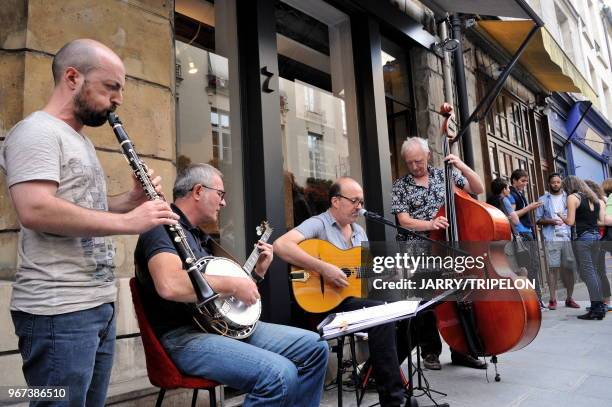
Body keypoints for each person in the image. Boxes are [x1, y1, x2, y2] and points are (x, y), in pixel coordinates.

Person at [0, 39, 180, 406]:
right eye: (111, 87)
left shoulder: (80, 141)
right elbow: (35, 209)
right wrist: (131, 221)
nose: (119, 100)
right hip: (58, 310)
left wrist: (127, 202)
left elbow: (82, 208)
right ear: (72, 77)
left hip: (96, 303)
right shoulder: (36, 133)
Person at [135, 164, 328, 407]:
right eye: (220, 194)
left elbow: (216, 299)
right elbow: (169, 285)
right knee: (279, 375)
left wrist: (255, 275)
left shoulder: (199, 237)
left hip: (219, 328)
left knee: (316, 347)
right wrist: (233, 285)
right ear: (197, 191)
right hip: (185, 337)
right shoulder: (161, 228)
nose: (223, 203)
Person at [274, 177, 410, 407]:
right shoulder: (318, 224)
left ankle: (375, 374)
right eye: (354, 201)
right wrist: (323, 267)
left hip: (353, 299)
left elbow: (363, 277)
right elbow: (281, 245)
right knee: (381, 315)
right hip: (326, 304)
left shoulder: (358, 232)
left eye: (362, 201)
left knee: (404, 310)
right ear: (335, 201)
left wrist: (389, 275)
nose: (360, 206)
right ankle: (393, 401)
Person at [390, 137, 486, 371]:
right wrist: (431, 224)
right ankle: (430, 352)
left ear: (428, 157)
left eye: (419, 161)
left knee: (461, 299)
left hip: (450, 247)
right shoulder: (400, 186)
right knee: (427, 305)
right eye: (410, 162)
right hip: (419, 250)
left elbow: (478, 188)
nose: (415, 166)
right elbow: (403, 221)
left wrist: (461, 166)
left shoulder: (445, 176)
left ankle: (463, 351)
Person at [557, 176, 606, 320]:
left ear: (569, 186)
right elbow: (599, 221)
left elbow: (571, 222)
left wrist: (561, 215)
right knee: (594, 272)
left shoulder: (573, 197)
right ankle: (599, 306)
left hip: (583, 238)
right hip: (596, 237)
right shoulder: (594, 199)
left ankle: (596, 309)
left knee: (589, 273)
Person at [536, 173, 579, 310]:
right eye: (553, 182)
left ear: (561, 183)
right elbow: (538, 220)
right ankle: (553, 299)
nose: (556, 184)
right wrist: (551, 221)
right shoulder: (543, 199)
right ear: (549, 183)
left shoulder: (569, 198)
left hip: (567, 237)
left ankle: (569, 298)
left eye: (558, 182)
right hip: (552, 237)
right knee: (553, 269)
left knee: (569, 269)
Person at [507, 169, 545, 307]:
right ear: (514, 180)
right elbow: (513, 215)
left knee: (533, 267)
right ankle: (535, 301)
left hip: (527, 232)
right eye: (523, 181)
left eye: (526, 181)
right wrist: (529, 207)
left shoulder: (518, 193)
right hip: (522, 234)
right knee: (529, 267)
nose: (525, 183)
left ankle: (537, 300)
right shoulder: (511, 194)